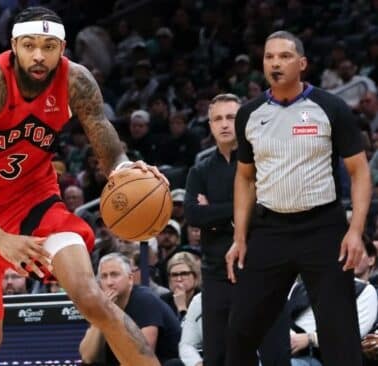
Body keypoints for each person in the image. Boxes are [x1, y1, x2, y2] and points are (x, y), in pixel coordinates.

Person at [0, 6, 162, 365]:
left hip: (36, 201)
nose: (39, 55)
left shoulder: (76, 81)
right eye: (30, 45)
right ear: (14, 46)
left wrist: (126, 169)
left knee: (92, 299)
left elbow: (108, 146)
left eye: (49, 47)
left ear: (62, 49)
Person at [225, 30, 370, 366]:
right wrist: (240, 236)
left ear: (302, 64)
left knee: (340, 335)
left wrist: (355, 230)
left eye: (285, 56)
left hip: (323, 228)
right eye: (269, 57)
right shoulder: (249, 114)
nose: (275, 63)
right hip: (270, 230)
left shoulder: (330, 107)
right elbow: (245, 178)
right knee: (240, 329)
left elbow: (360, 172)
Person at [183, 92, 240, 366]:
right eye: (218, 119)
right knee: (216, 354)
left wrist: (213, 212)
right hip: (215, 271)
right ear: (210, 125)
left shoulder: (259, 163)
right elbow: (194, 215)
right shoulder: (200, 170)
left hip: (256, 269)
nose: (224, 124)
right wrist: (237, 211)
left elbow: (262, 211)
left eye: (231, 117)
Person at [81, 253, 181, 365]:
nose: (109, 282)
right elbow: (87, 357)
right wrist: (102, 313)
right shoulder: (103, 304)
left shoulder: (145, 300)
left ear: (130, 279)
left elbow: (143, 357)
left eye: (114, 275)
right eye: (104, 276)